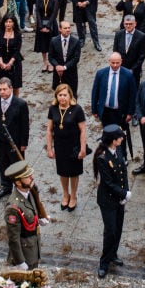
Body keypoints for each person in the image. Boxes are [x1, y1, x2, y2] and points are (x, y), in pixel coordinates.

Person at [94, 124, 130, 278]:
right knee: (110, 231)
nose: (123, 138)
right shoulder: (102, 158)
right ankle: (104, 262)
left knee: (118, 228)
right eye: (120, 137)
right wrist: (123, 193)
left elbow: (123, 172)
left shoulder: (118, 150)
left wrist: (124, 194)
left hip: (119, 198)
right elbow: (108, 183)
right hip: (107, 200)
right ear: (113, 141)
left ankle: (113, 253)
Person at [46, 83, 87, 213]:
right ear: (56, 96)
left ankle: (73, 196)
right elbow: (49, 130)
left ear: (70, 95)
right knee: (63, 172)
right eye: (60, 95)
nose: (62, 98)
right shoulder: (53, 109)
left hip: (74, 146)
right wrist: (49, 148)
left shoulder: (77, 109)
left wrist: (82, 148)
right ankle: (65, 194)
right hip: (60, 146)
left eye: (65, 95)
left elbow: (83, 130)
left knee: (73, 172)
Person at [0, 78, 29, 200]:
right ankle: (5, 186)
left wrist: (23, 143)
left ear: (11, 88)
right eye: (0, 89)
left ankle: (19, 187)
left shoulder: (20, 104)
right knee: (2, 163)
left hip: (15, 143)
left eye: (4, 89)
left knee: (16, 166)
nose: (2, 92)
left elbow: (25, 125)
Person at [3, 161, 45, 270]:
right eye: (27, 176)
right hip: (24, 254)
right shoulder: (13, 207)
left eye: (30, 174)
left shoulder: (28, 192)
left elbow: (31, 210)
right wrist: (20, 262)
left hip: (33, 247)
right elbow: (13, 238)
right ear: (18, 182)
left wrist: (39, 218)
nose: (31, 178)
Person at [48, 20, 81, 99]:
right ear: (60, 29)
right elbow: (51, 57)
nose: (68, 30)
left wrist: (65, 67)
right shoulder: (54, 41)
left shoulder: (76, 42)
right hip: (58, 74)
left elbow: (76, 58)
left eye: (69, 28)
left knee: (72, 95)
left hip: (71, 73)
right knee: (59, 95)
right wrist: (57, 66)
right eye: (65, 28)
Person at [113, 14, 145, 84]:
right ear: (123, 24)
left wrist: (132, 69)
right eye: (126, 24)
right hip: (121, 69)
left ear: (135, 24)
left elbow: (141, 56)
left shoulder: (141, 36)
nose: (128, 26)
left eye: (130, 24)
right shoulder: (118, 34)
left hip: (134, 71)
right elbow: (115, 51)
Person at [33, 0, 59, 72]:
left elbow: (54, 14)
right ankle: (45, 62)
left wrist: (48, 26)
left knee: (51, 45)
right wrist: (40, 26)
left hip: (51, 24)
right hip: (41, 25)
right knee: (43, 45)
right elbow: (38, 13)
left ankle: (52, 63)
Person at [0, 16, 24, 97]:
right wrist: (1, 62)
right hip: (2, 62)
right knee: (3, 86)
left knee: (15, 86)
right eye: (6, 22)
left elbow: (17, 50)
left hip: (15, 62)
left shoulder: (18, 34)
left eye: (10, 22)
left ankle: (15, 103)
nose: (8, 24)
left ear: (14, 23)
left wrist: (10, 63)